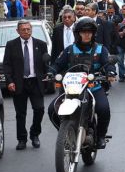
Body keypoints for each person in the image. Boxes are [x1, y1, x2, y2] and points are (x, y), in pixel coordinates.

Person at [48, 18, 117, 148]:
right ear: (78, 33)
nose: (86, 34)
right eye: (83, 32)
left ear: (93, 34)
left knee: (103, 109)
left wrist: (111, 73)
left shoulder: (101, 49)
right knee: (52, 109)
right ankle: (65, 134)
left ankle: (101, 136)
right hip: (70, 89)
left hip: (93, 87)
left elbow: (109, 64)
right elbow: (56, 64)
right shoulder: (69, 50)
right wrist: (51, 72)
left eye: (89, 32)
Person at [2, 20, 49, 150]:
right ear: (18, 31)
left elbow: (46, 64)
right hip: (19, 83)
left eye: (28, 29)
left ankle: (35, 135)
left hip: (35, 82)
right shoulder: (11, 45)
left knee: (39, 109)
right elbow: (7, 65)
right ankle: (21, 139)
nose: (26, 31)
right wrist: (10, 81)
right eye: (23, 29)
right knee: (20, 113)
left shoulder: (41, 44)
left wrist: (48, 75)